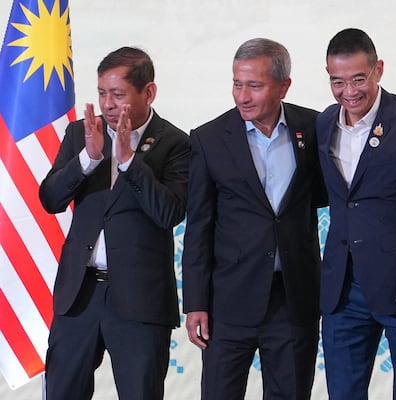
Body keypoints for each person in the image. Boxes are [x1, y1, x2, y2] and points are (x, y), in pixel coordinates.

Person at [39, 47, 189, 400]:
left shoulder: (176, 143)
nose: (107, 104)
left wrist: (129, 162)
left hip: (140, 300)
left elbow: (170, 213)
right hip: (80, 295)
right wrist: (88, 159)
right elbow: (50, 200)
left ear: (148, 92)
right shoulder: (82, 134)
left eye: (118, 94)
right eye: (102, 93)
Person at [182, 38, 325, 400]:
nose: (242, 96)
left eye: (255, 86)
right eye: (237, 83)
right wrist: (195, 301)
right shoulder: (208, 139)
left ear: (284, 86)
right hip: (228, 303)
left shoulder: (314, 128)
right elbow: (198, 226)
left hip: (294, 299)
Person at [317, 28, 396, 400]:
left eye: (359, 79)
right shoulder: (325, 123)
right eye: (337, 81)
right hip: (342, 289)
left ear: (379, 70)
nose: (349, 91)